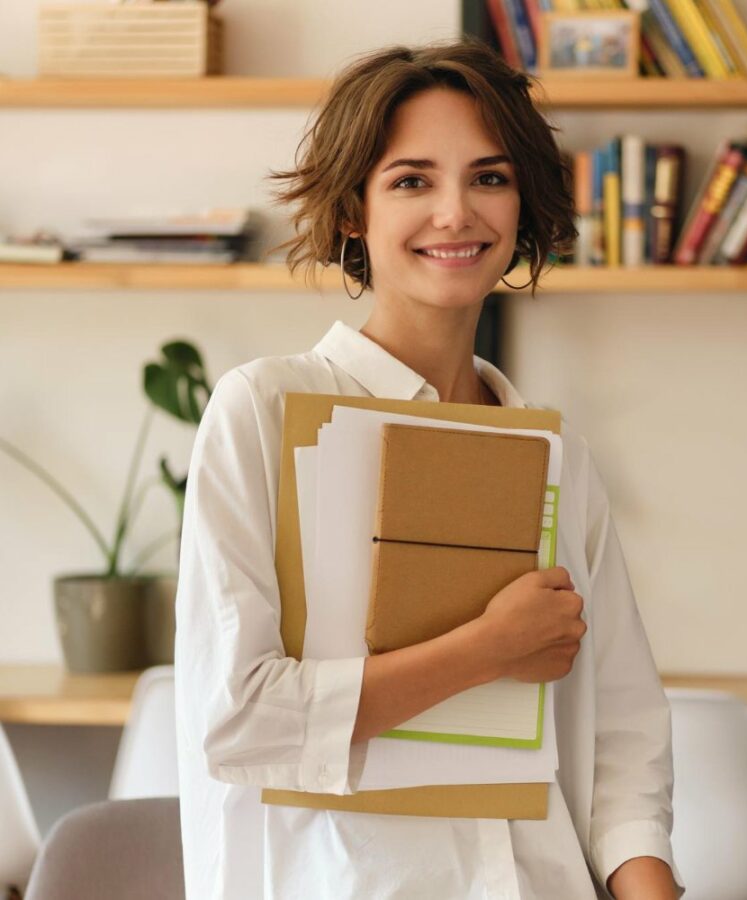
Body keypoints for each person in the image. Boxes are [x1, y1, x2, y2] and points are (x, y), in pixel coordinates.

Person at [175, 39, 683, 900]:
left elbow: (625, 745)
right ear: (351, 212)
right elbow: (240, 720)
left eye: (489, 178)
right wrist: (490, 648)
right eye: (412, 180)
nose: (456, 213)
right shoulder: (261, 412)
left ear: (523, 205)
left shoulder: (558, 457)